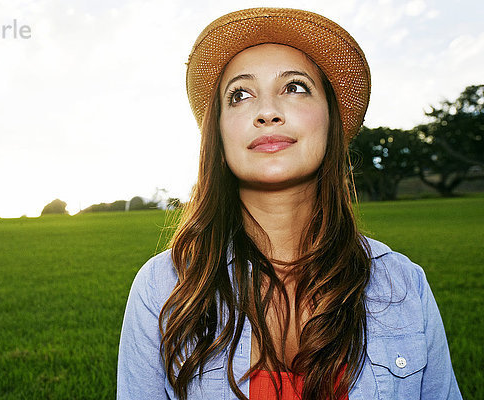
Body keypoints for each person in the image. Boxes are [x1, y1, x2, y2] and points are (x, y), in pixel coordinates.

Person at [117, 8, 462, 400]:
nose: (267, 112)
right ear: (218, 134)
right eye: (240, 95)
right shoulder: (164, 290)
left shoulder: (405, 286)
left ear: (331, 118)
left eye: (294, 87)